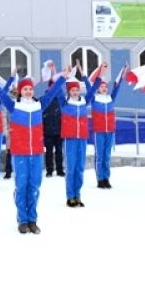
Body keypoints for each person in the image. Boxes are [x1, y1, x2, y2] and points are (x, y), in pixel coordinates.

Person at [0, 65, 67, 234]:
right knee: (22, 186)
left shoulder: (39, 104)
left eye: (30, 89)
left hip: (36, 152)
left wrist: (63, 77)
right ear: (20, 91)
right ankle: (22, 219)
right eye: (25, 89)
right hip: (20, 152)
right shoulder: (13, 106)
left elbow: (52, 92)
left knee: (34, 186)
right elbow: (0, 93)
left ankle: (32, 219)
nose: (28, 91)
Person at [58, 69, 98, 207]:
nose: (75, 92)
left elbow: (93, 89)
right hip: (70, 139)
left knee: (80, 168)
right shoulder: (64, 103)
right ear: (69, 91)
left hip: (82, 138)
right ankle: (70, 196)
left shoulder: (84, 102)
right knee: (71, 167)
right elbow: (57, 90)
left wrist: (99, 74)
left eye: (77, 90)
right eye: (72, 90)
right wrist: (59, 75)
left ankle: (77, 194)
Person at [84, 63, 124, 189]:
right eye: (101, 87)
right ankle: (100, 179)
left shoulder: (110, 98)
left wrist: (122, 73)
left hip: (110, 131)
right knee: (100, 156)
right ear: (98, 89)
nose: (104, 88)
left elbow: (117, 86)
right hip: (99, 131)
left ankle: (106, 178)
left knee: (107, 156)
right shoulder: (94, 99)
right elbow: (89, 87)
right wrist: (87, 76)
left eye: (105, 87)